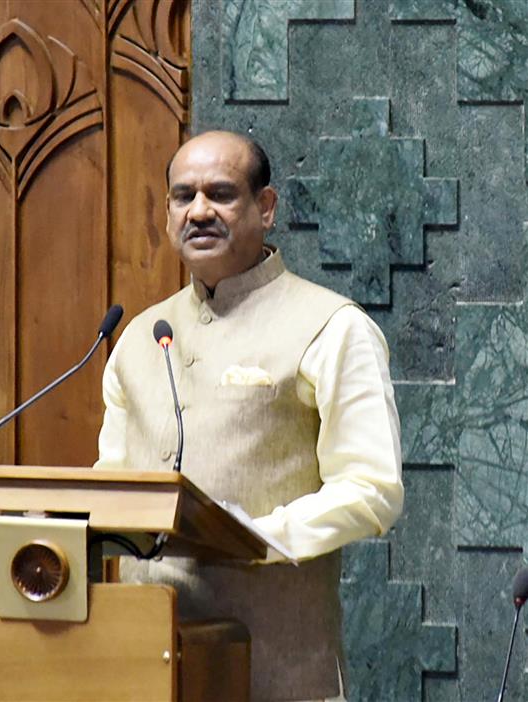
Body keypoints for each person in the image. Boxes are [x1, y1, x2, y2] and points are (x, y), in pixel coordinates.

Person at [94, 131, 403, 702]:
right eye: (183, 196)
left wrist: (257, 535)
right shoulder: (138, 337)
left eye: (221, 193)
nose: (199, 211)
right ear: (166, 216)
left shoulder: (332, 327)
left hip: (277, 669)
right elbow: (112, 488)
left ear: (266, 207)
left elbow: (373, 489)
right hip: (143, 670)